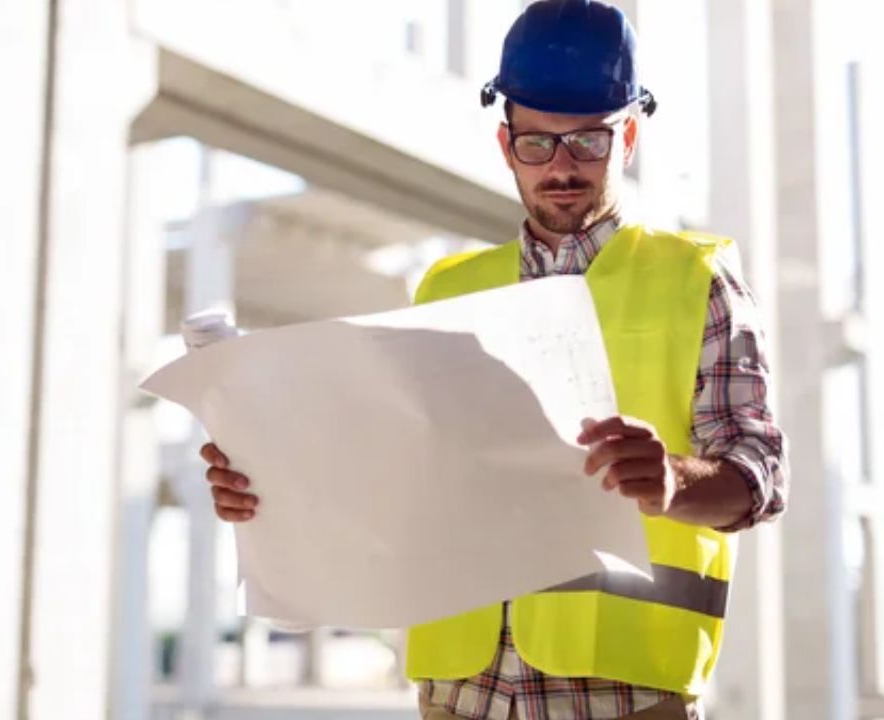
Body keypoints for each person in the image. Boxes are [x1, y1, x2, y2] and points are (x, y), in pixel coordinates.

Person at [199, 1, 788, 718]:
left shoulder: (694, 279)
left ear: (628, 135)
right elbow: (388, 476)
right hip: (458, 694)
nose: (562, 166)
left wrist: (672, 479)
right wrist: (268, 489)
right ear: (507, 143)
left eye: (588, 142)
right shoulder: (447, 290)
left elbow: (759, 471)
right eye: (538, 144)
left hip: (626, 698)